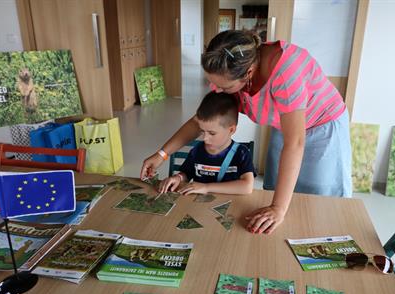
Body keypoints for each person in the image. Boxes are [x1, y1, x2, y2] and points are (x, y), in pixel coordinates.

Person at [141, 30, 352, 235]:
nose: (216, 90)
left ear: (248, 73)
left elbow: (295, 143)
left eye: (224, 86)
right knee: (274, 193)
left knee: (318, 202)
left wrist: (278, 208)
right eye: (213, 83)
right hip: (284, 126)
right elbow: (200, 121)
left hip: (323, 126)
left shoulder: (286, 73)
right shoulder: (230, 74)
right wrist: (161, 155)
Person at [158, 91, 254, 195]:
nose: (205, 139)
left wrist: (207, 187)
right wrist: (178, 177)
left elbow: (247, 187)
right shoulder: (197, 150)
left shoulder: (241, 153)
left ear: (231, 130)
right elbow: (186, 173)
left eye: (212, 133)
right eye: (202, 131)